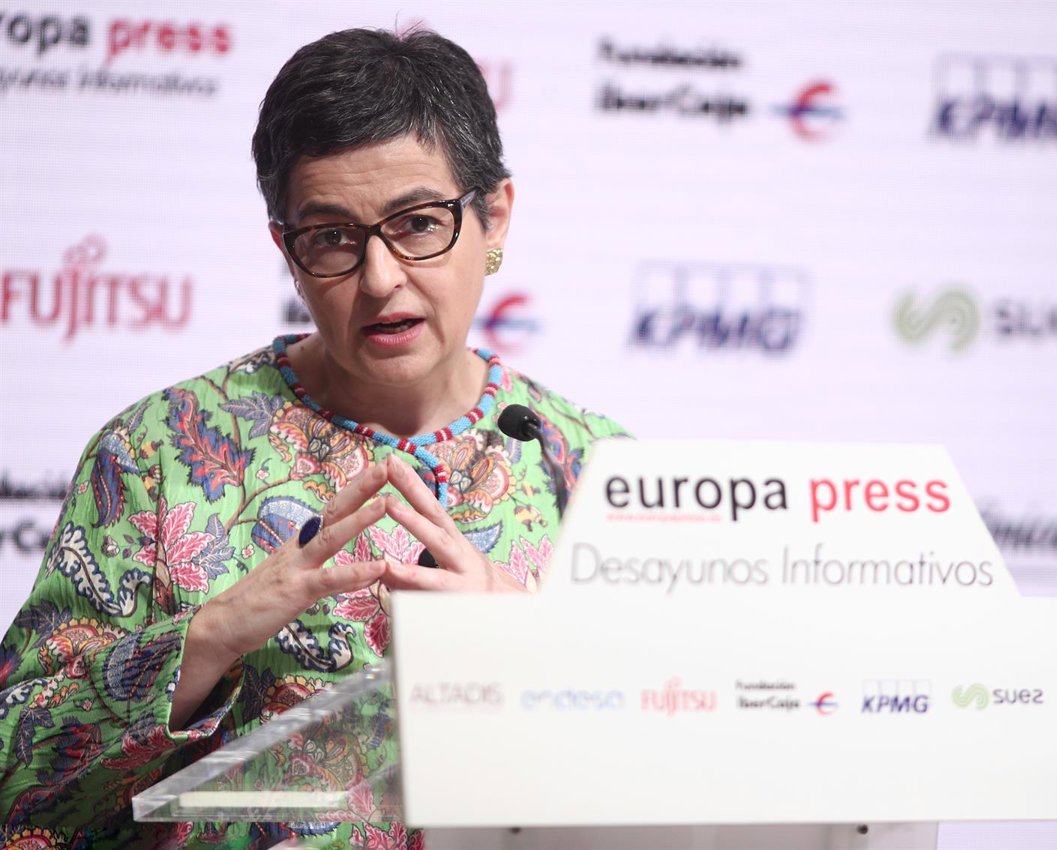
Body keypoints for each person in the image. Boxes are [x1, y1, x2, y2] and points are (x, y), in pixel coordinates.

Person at [0, 27, 626, 849]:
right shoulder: (154, 457)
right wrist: (209, 639)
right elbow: (15, 772)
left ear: (495, 216)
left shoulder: (596, 470)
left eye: (418, 224)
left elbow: (703, 752)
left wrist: (542, 648)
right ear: (286, 252)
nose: (381, 278)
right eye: (331, 237)